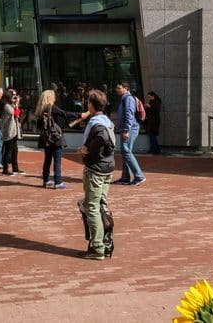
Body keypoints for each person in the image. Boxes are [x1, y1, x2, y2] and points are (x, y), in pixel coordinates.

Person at [78, 89, 116, 260]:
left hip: (96, 169)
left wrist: (88, 149)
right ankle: (106, 242)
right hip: (106, 168)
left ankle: (98, 247)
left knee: (91, 207)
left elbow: (102, 138)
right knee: (100, 204)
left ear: (91, 105)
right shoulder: (106, 120)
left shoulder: (98, 124)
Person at [35, 89, 84, 189]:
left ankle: (46, 180)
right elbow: (64, 114)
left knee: (47, 160)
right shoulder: (52, 107)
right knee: (57, 161)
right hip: (55, 138)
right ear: (50, 98)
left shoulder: (40, 109)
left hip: (46, 139)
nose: (55, 98)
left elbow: (39, 126)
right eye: (53, 96)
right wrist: (79, 115)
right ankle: (58, 182)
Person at [114, 82, 145, 185]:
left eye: (119, 88)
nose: (117, 90)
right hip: (127, 129)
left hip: (130, 129)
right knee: (125, 152)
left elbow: (129, 115)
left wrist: (126, 130)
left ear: (125, 88)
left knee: (126, 151)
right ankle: (125, 177)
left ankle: (139, 176)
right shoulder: (125, 98)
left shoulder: (128, 99)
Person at [0, 89, 24, 176]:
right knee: (8, 151)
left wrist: (15, 104)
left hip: (14, 130)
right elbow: (16, 114)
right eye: (13, 96)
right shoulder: (6, 106)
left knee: (15, 150)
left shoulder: (10, 105)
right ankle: (5, 170)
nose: (14, 97)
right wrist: (16, 105)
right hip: (9, 131)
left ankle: (15, 168)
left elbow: (17, 114)